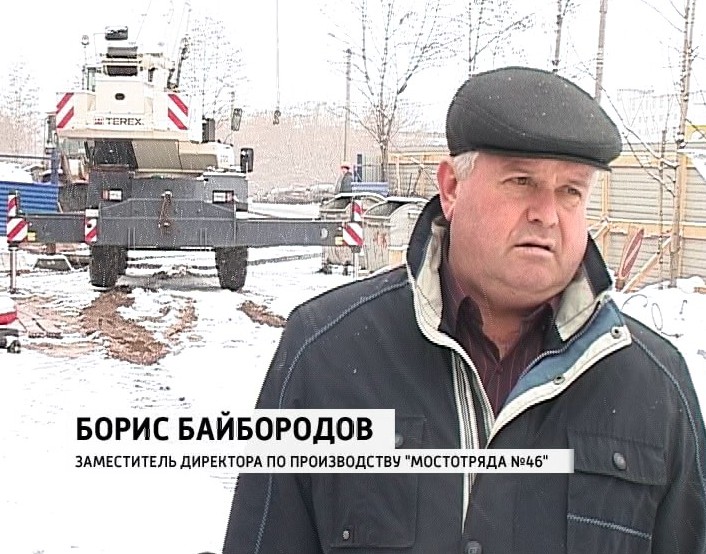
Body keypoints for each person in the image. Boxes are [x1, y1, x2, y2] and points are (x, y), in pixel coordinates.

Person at [222, 66, 706, 553]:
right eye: (521, 181)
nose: (547, 214)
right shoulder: (325, 354)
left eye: (570, 191)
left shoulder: (655, 387)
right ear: (452, 188)